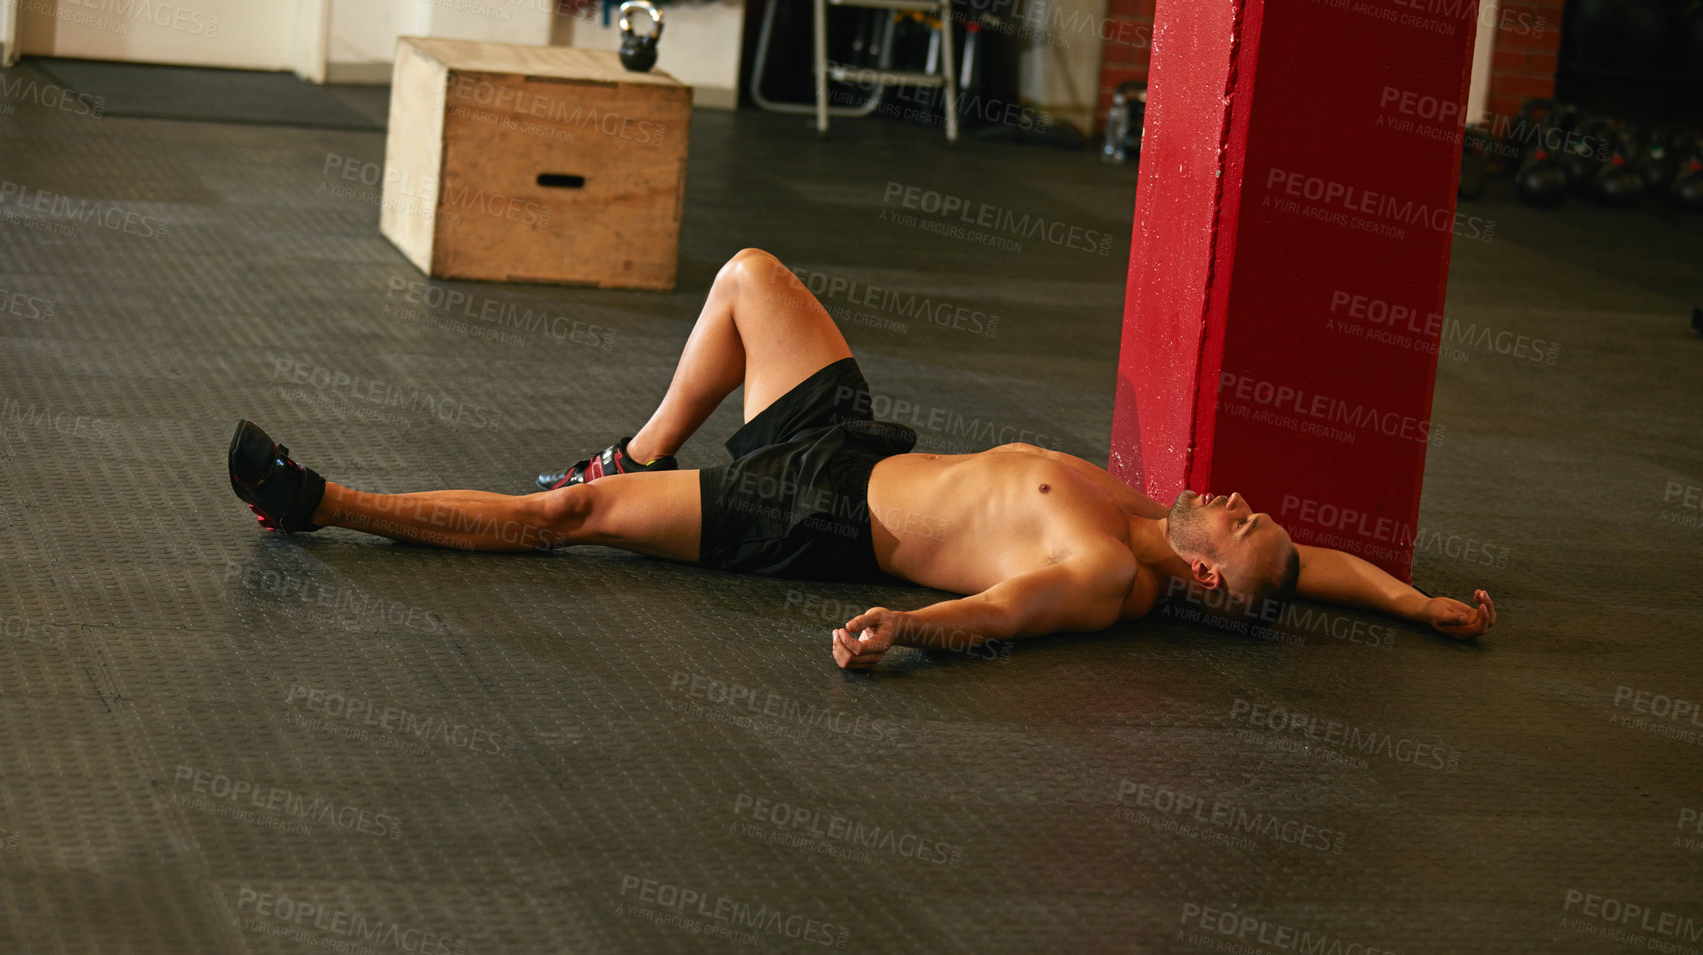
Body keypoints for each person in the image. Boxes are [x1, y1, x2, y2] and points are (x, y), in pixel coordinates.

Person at [228, 249, 1495, 669]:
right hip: (852, 439)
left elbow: (996, 613)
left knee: (569, 524)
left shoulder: (1107, 569)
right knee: (748, 277)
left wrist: (901, 631)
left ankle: (321, 499)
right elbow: (1313, 568)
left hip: (815, 511)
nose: (1234, 499)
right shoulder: (1171, 521)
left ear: (1208, 581)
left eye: (1241, 522)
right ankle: (634, 443)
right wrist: (1420, 601)